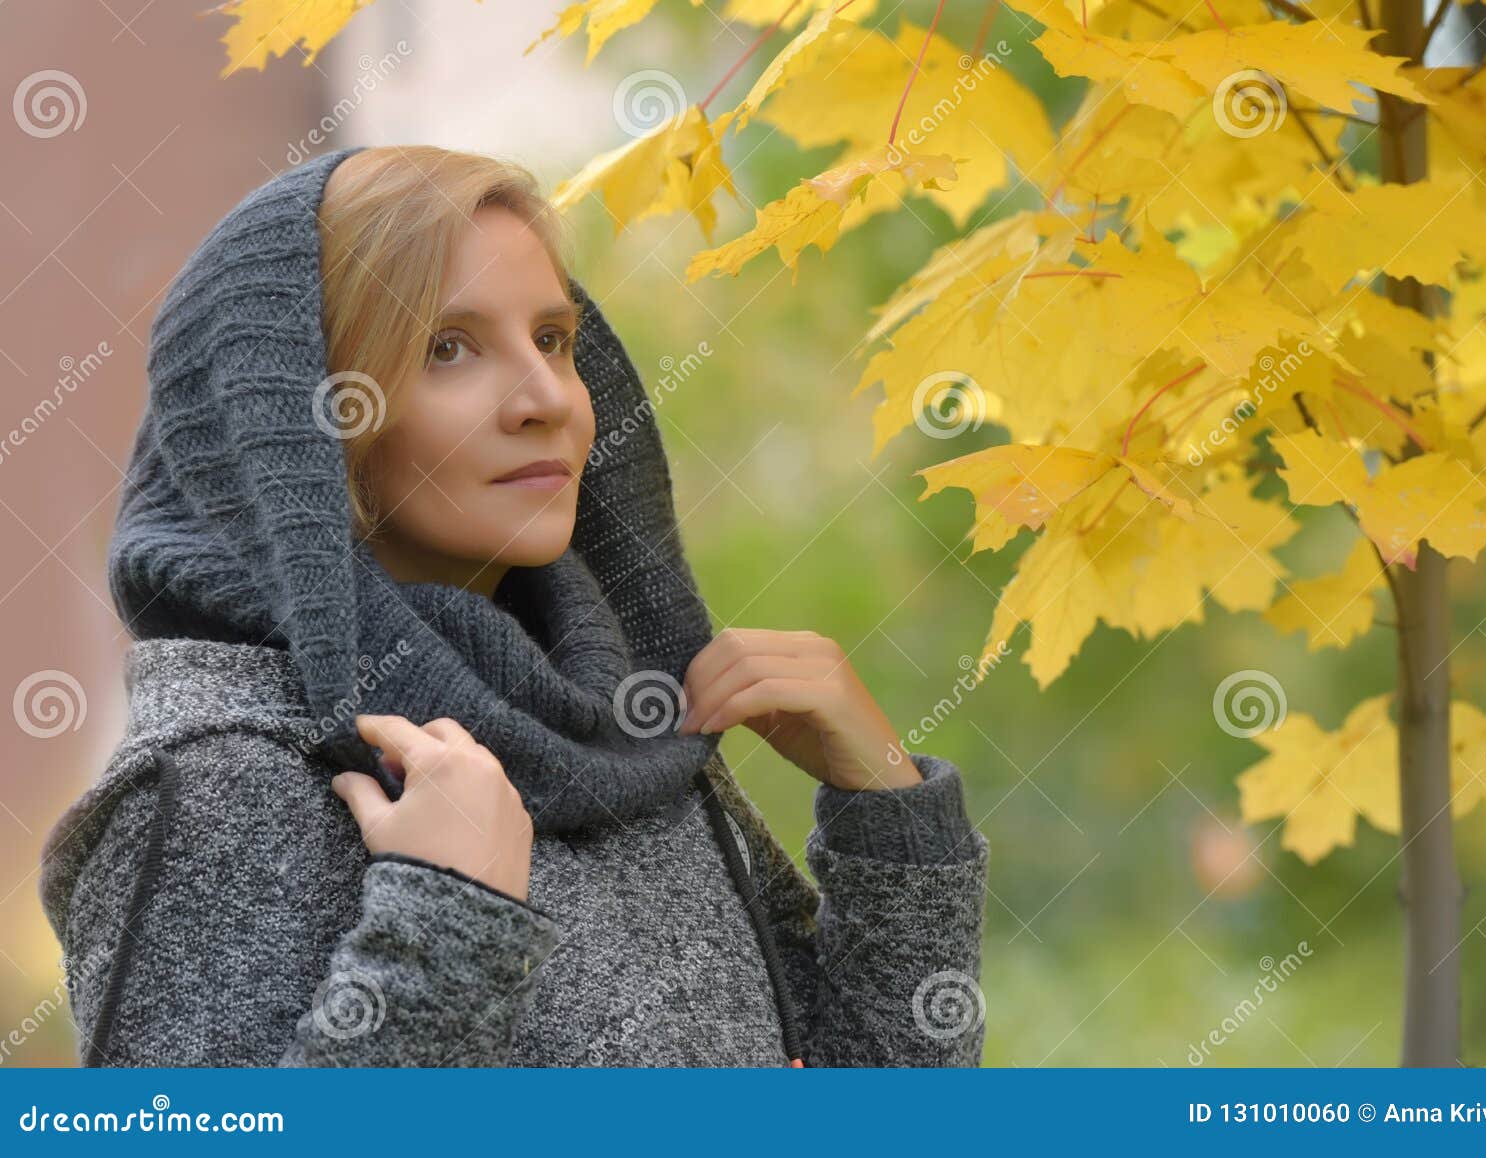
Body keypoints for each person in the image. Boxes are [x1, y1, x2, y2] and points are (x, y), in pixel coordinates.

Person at [38, 144, 990, 1067]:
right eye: (447, 348)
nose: (546, 398)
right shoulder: (218, 787)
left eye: (552, 339)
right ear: (296, 422)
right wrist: (447, 921)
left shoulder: (618, 731)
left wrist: (887, 814)